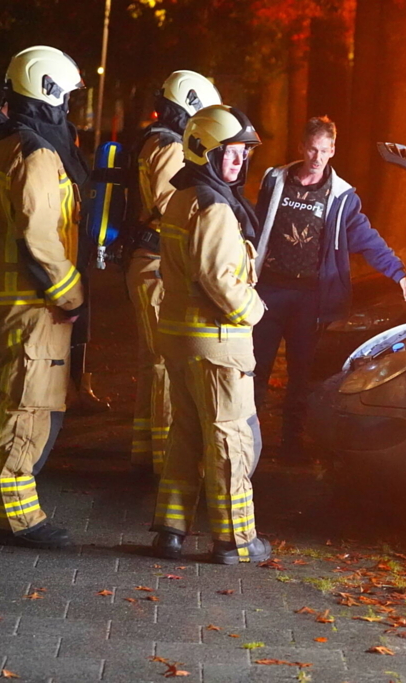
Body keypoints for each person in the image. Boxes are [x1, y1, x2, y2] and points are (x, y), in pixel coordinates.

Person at [0, 46, 88, 548]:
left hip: (3, 297)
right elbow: (39, 236)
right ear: (49, 93)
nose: (70, 109)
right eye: (67, 99)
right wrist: (71, 294)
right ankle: (17, 518)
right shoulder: (37, 152)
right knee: (27, 407)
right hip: (35, 302)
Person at [253, 117, 406, 461]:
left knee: (301, 373)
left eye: (325, 150)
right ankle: (245, 440)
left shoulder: (341, 196)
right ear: (302, 147)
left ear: (333, 151)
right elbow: (253, 225)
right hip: (269, 291)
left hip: (309, 298)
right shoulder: (276, 181)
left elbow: (367, 238)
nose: (317, 157)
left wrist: (399, 274)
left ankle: (291, 444)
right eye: (312, 149)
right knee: (256, 368)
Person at [150, 104, 269, 564]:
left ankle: (170, 530)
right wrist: (255, 310)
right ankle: (235, 540)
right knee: (228, 440)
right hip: (217, 345)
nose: (238, 161)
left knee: (185, 435)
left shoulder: (183, 197)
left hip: (181, 341)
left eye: (243, 153)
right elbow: (219, 278)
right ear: (206, 152)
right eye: (230, 152)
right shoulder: (214, 206)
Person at [124, 70, 220, 476]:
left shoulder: (157, 140)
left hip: (152, 261)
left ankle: (147, 451)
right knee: (165, 360)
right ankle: (168, 460)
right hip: (157, 263)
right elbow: (170, 208)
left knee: (154, 361)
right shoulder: (167, 146)